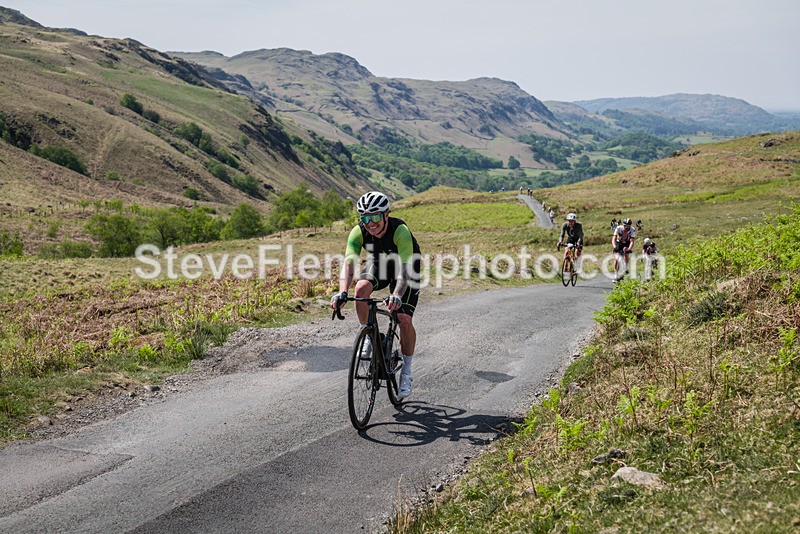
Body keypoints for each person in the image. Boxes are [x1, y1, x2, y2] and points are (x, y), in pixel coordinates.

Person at [330, 191, 421, 398]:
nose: (370, 223)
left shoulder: (400, 231)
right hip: (380, 265)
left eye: (375, 217)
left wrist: (397, 294)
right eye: (365, 218)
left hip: (407, 269)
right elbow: (349, 263)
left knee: (404, 319)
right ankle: (368, 334)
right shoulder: (358, 232)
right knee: (360, 290)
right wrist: (341, 292)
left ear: (386, 215)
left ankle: (406, 371)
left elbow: (406, 269)